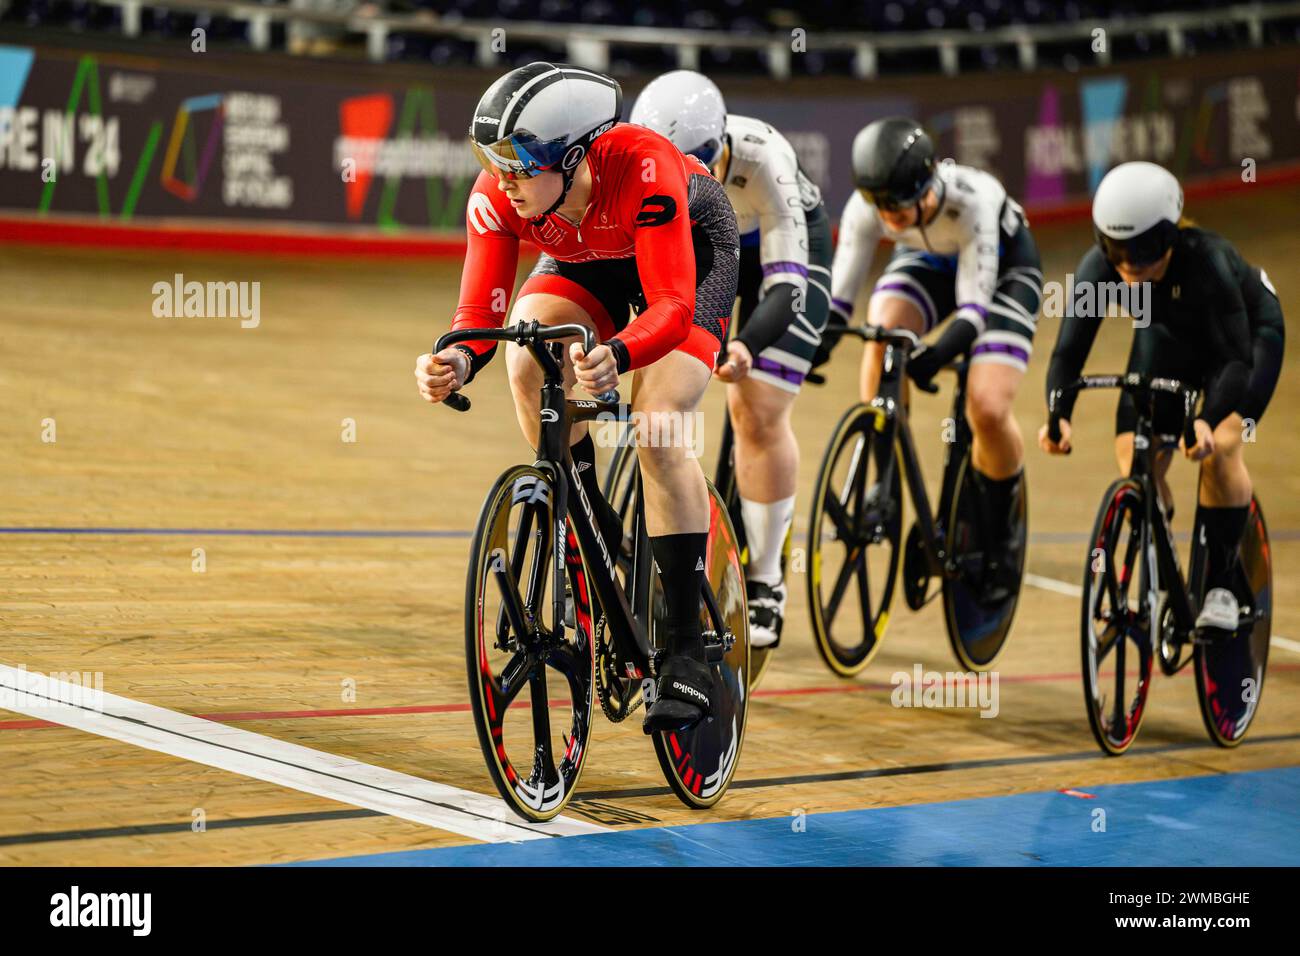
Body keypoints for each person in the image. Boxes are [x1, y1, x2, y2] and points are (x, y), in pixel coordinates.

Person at [413, 63, 739, 732]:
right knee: (527, 361)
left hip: (689, 257)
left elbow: (673, 306)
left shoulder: (644, 168)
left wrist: (618, 355)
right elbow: (482, 311)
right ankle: (595, 526)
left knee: (656, 425)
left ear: (573, 155)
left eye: (518, 162)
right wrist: (453, 360)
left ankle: (685, 650)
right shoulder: (507, 196)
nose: (503, 178)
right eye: (492, 160)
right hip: (588, 258)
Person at [630, 69, 832, 649]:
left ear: (720, 151)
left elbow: (787, 288)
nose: (690, 176)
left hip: (779, 248)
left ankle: (768, 577)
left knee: (756, 407)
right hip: (697, 234)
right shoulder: (648, 167)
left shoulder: (764, 156)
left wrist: (744, 345)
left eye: (699, 165)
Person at [1040, 161, 1282, 633]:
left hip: (1246, 341)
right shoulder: (1101, 271)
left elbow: (1234, 363)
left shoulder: (1208, 260)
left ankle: (1223, 584)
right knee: (1135, 453)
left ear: (1170, 236)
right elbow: (1068, 353)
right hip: (1168, 338)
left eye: (1145, 251)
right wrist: (1059, 414)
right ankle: (1156, 537)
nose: (1130, 266)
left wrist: (1207, 418)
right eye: (1117, 252)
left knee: (1222, 447)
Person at [829, 117, 1043, 602]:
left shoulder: (972, 201)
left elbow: (973, 310)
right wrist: (817, 342)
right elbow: (839, 300)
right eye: (879, 207)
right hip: (928, 260)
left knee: (986, 407)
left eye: (898, 207)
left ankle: (1002, 533)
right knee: (882, 335)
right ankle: (881, 482)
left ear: (927, 188)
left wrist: (936, 355)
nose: (888, 217)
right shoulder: (874, 204)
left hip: (1002, 272)